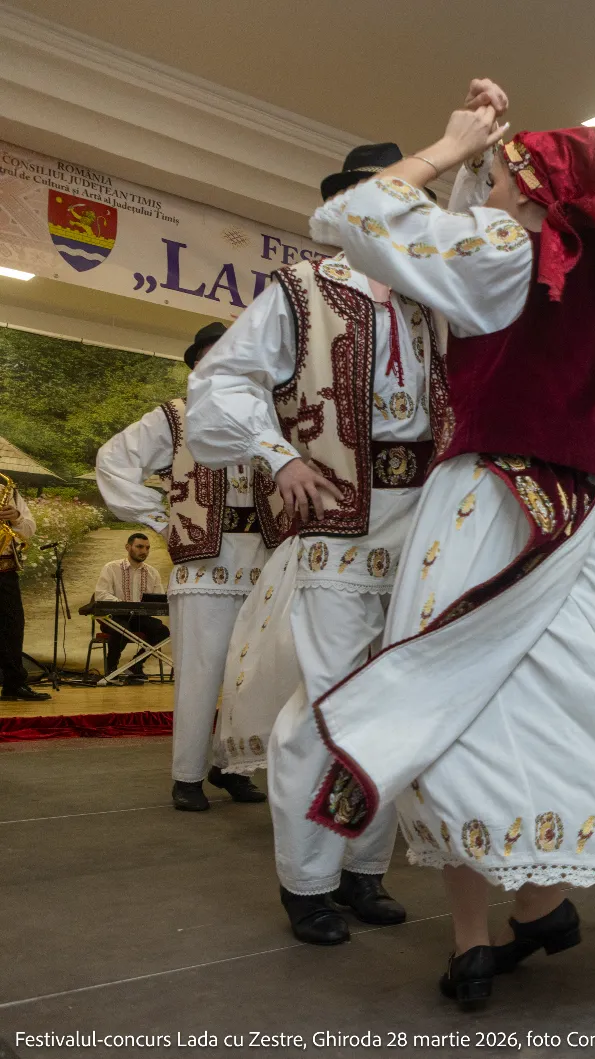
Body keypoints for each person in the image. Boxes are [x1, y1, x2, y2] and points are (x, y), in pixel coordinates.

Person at [300, 86, 595, 1010]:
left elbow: (351, 215)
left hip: (486, 507)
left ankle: (475, 939)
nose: (481, 188)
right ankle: (544, 899)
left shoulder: (499, 253)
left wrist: (444, 146)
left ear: (529, 194)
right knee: (559, 704)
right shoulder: (589, 295)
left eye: (495, 176)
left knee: (459, 713)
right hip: (576, 519)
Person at [187, 140, 453, 946]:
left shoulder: (427, 296)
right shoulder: (301, 291)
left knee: (398, 697)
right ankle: (308, 878)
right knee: (333, 701)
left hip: (424, 519)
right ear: (348, 208)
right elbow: (219, 386)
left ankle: (365, 868)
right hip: (338, 517)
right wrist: (279, 455)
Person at [95, 322, 268, 811]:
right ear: (196, 365)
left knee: (250, 673)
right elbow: (112, 461)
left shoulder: (265, 420)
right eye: (214, 357)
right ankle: (187, 776)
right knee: (201, 671)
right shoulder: (173, 417)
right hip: (204, 565)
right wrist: (159, 518)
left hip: (262, 560)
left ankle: (231, 765)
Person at [89, 533, 170, 684]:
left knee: (162, 631)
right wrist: (122, 604)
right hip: (114, 617)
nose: (144, 551)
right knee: (122, 628)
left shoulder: (152, 572)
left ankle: (135, 666)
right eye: (139, 547)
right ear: (128, 547)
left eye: (147, 548)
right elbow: (101, 594)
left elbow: (157, 599)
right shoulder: (111, 567)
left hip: (140, 617)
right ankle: (111, 668)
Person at [0, 488, 46, 702]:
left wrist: (17, 517)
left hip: (5, 570)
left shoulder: (7, 491)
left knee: (12, 628)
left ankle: (13, 684)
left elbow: (29, 530)